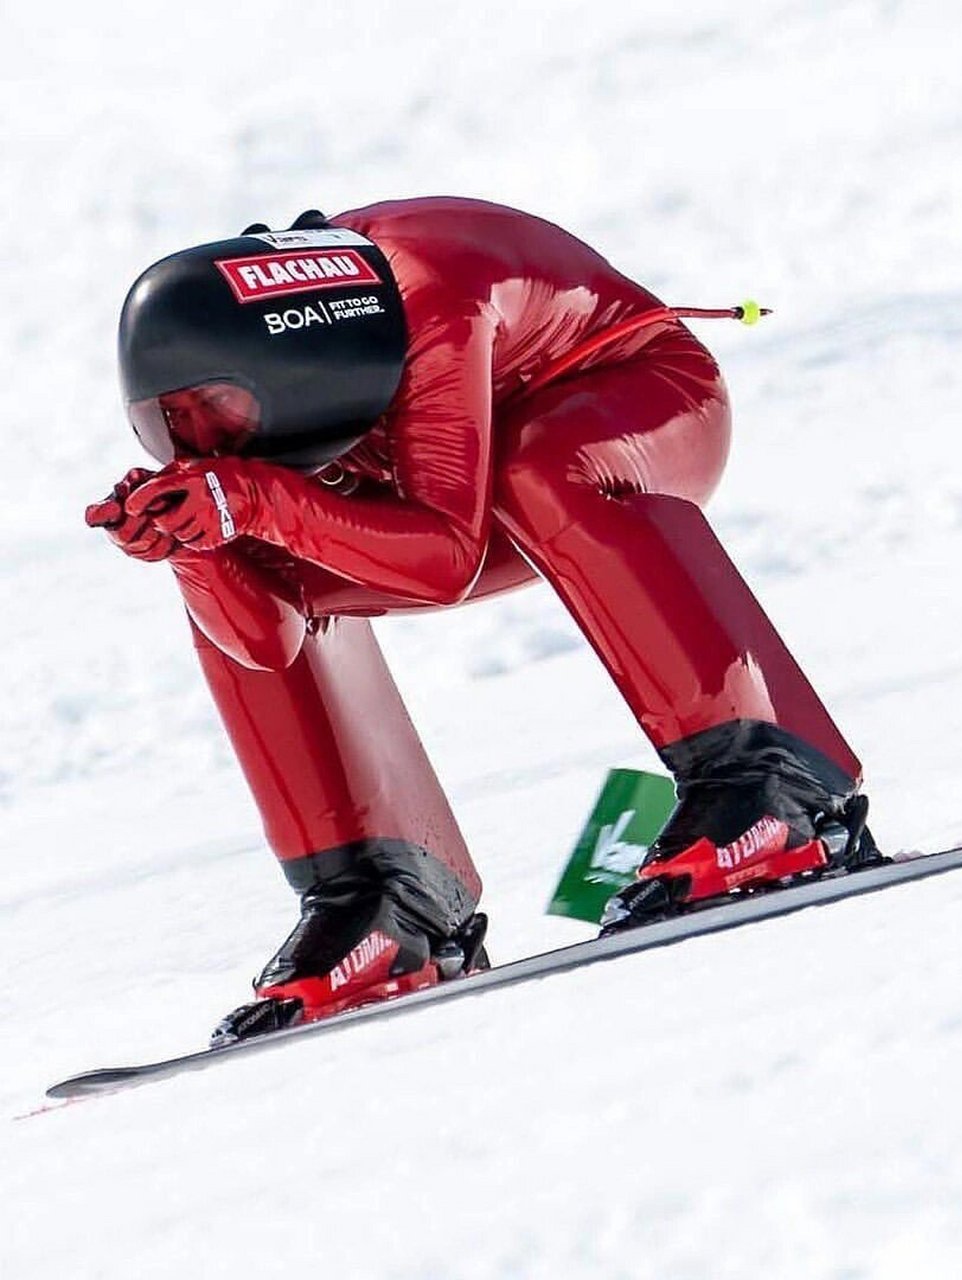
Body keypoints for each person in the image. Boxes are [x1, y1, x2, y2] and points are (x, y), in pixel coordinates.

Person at [86, 198, 876, 1042]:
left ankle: (778, 786)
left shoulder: (429, 295)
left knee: (538, 463)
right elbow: (263, 637)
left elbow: (444, 559)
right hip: (467, 482)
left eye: (219, 414)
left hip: (646, 406)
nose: (208, 446)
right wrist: (198, 545)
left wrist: (253, 500)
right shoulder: (320, 361)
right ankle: (387, 898)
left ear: (298, 363)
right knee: (244, 541)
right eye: (176, 429)